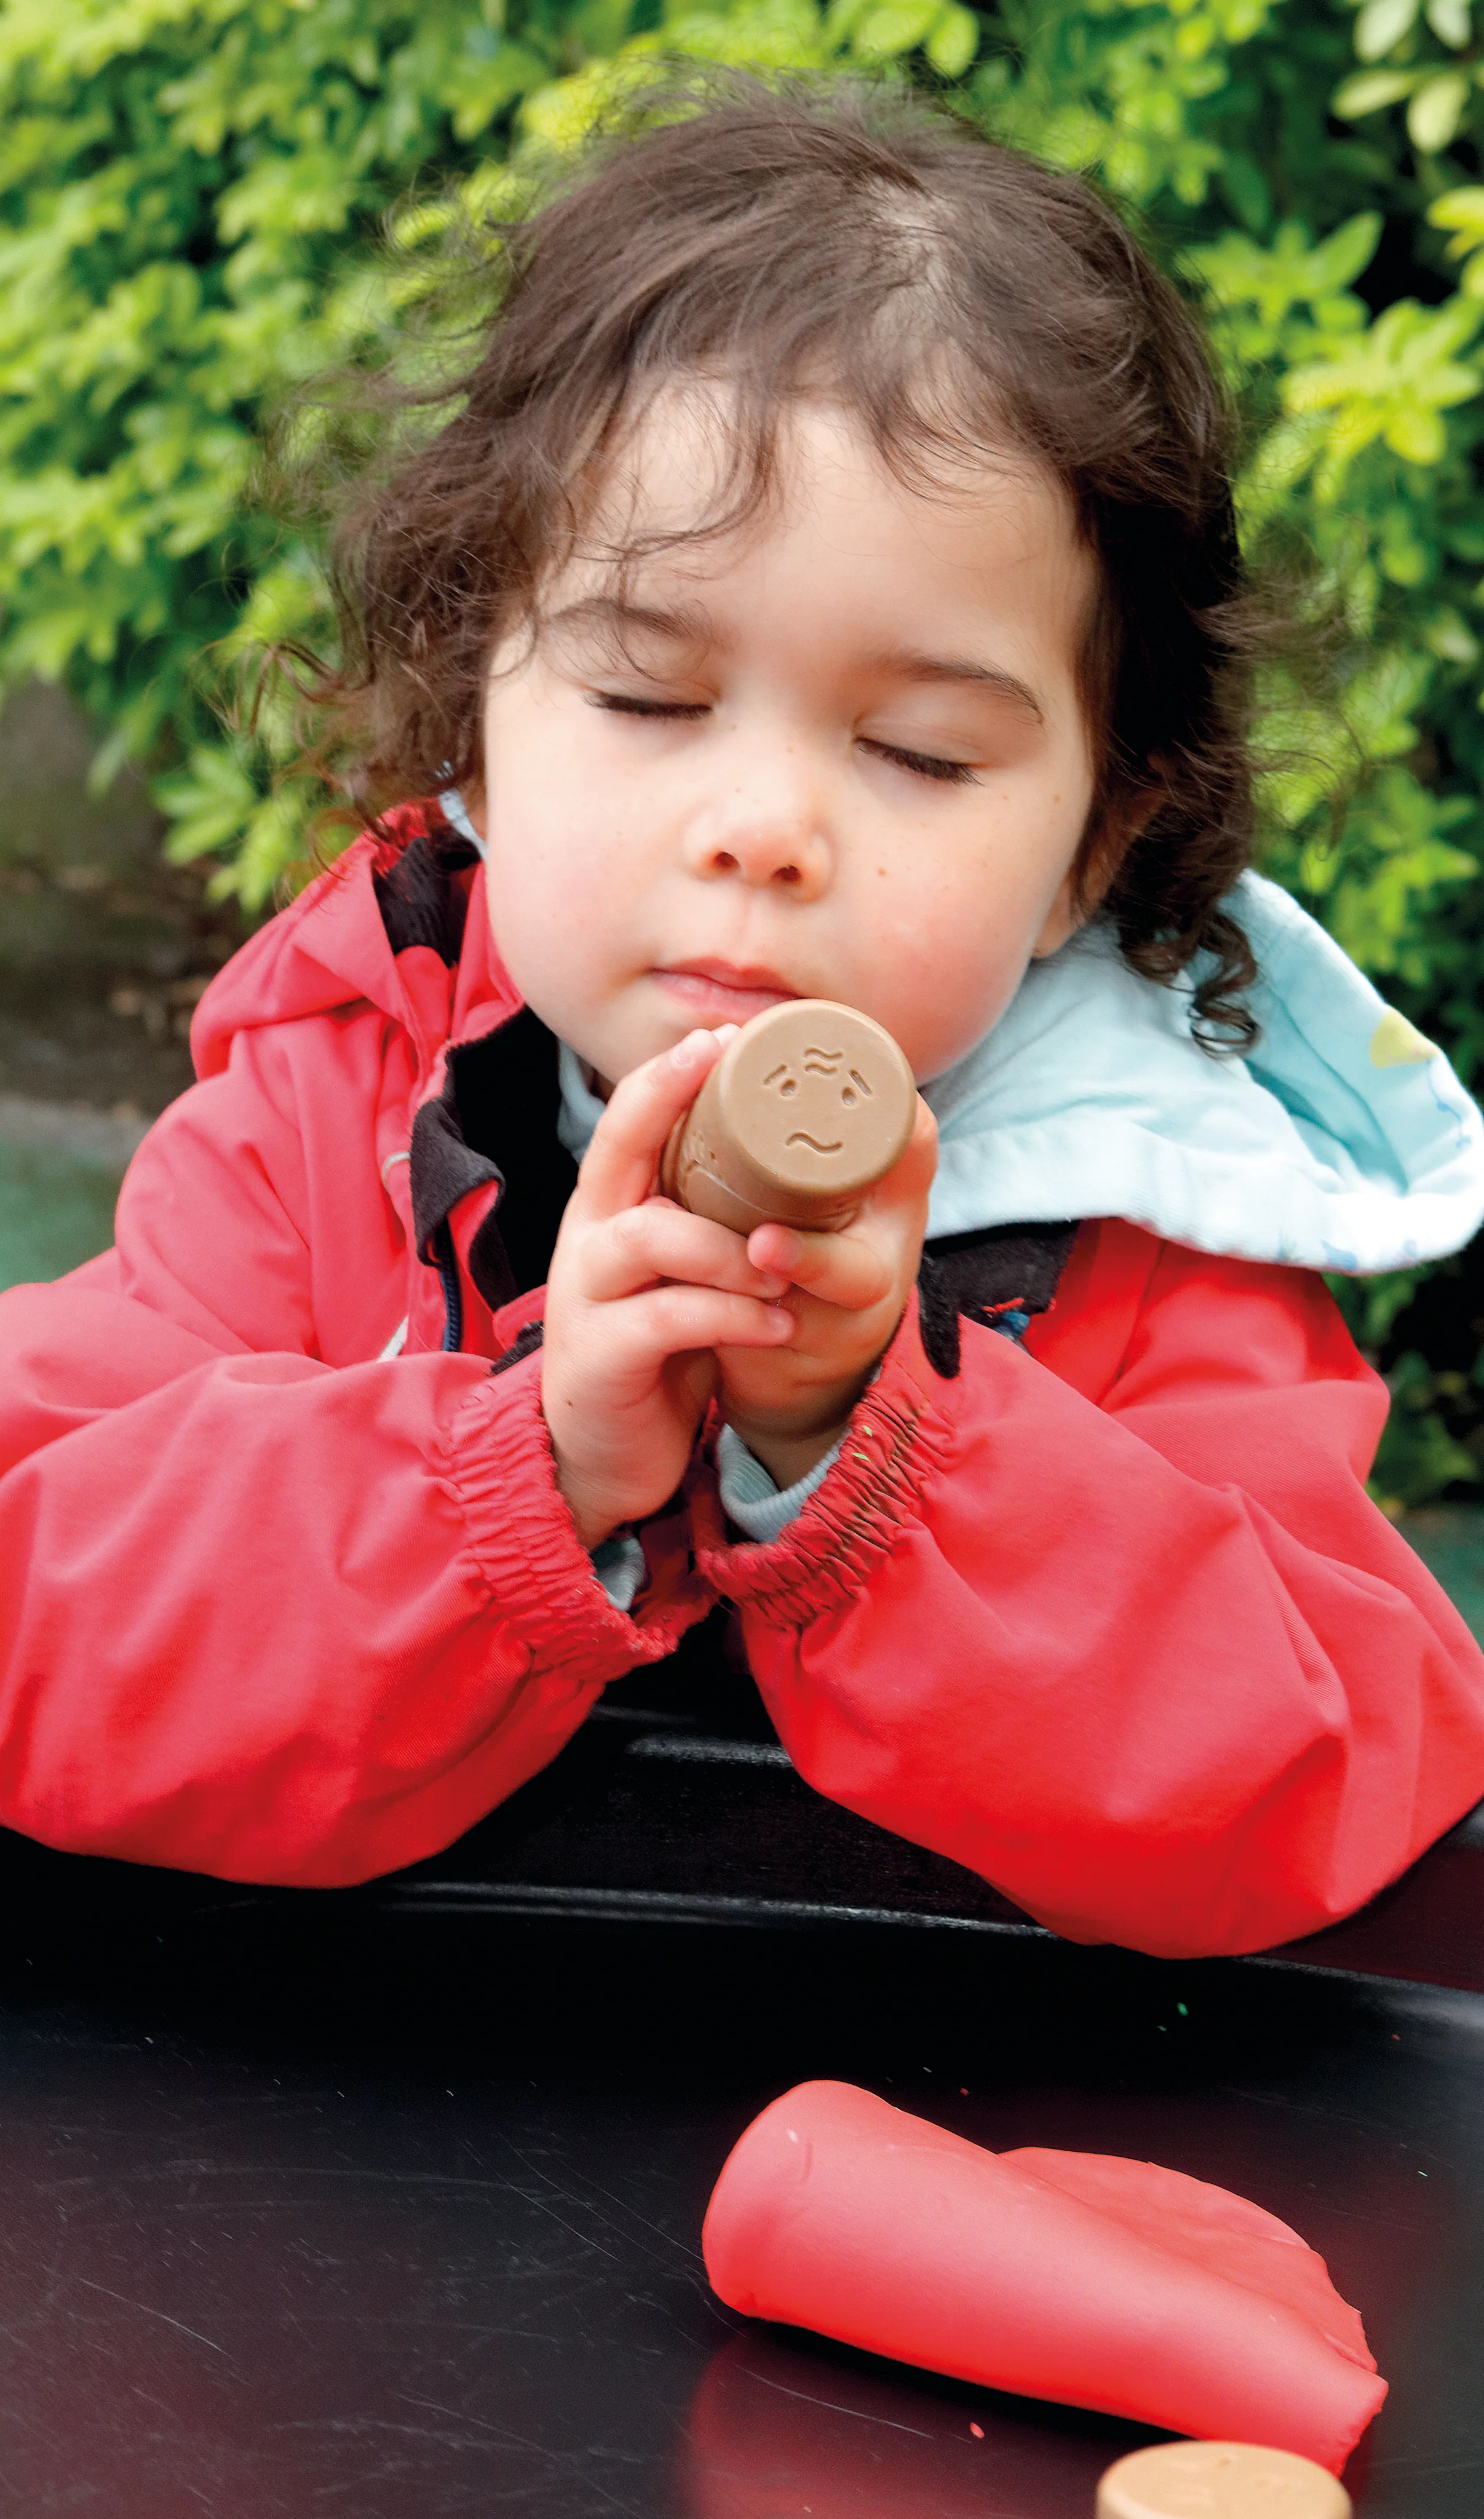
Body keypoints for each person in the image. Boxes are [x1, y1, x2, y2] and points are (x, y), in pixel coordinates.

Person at [2, 77, 1483, 1957]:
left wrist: (873, 1450)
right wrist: (518, 1472)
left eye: (916, 752)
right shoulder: (337, 1116)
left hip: (933, 2115)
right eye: (643, 698)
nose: (766, 831)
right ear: (476, 715)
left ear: (1089, 844)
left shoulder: (1156, 1229)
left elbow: (1330, 1767)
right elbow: (38, 1603)